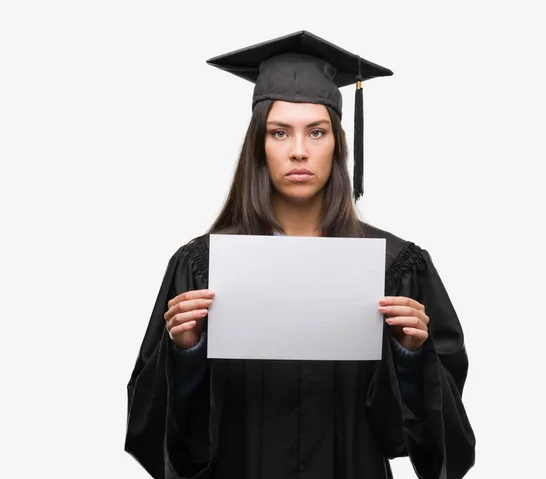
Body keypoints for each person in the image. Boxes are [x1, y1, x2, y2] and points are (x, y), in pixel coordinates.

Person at [125, 30, 476, 479]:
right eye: (279, 132)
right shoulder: (202, 266)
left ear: (338, 144)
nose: (298, 151)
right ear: (259, 146)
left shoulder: (395, 266)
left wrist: (411, 356)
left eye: (316, 132)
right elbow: (155, 434)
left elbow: (440, 446)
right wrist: (187, 353)